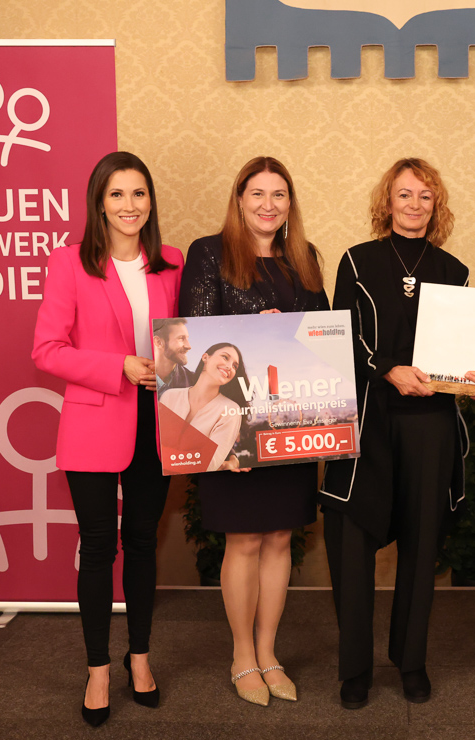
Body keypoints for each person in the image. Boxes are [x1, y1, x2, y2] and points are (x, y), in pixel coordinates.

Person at [321, 157, 475, 709]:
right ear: (386, 202)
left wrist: (472, 376)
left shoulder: (455, 271)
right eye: (405, 194)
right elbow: (341, 338)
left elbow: (463, 352)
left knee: (421, 543)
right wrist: (388, 369)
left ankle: (411, 661)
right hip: (368, 417)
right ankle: (355, 670)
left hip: (430, 425)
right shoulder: (357, 261)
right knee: (353, 544)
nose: (415, 204)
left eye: (425, 196)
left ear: (436, 206)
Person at [32, 151, 183, 727]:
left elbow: (198, 336)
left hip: (158, 423)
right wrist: (117, 366)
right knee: (97, 547)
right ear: (99, 202)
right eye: (117, 194)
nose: (129, 205)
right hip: (95, 419)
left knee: (143, 543)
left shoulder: (172, 263)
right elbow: (47, 350)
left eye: (139, 193)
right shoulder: (70, 262)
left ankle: (139, 657)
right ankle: (97, 668)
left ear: (151, 201)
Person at [179, 156, 328, 706]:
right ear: (239, 200)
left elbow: (322, 337)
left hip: (287, 423)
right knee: (243, 539)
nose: (269, 205)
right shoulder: (208, 253)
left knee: (281, 537)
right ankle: (242, 654)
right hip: (232, 427)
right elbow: (194, 338)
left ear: (290, 204)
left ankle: (269, 652)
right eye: (258, 194)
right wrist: (250, 333)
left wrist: (292, 335)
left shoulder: (305, 259)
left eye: (279, 194)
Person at [157, 341, 247, 472]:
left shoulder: (230, 410)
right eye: (225, 357)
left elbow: (209, 464)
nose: (229, 367)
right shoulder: (169, 396)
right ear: (205, 357)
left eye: (235, 366)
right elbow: (157, 445)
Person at [152, 318, 194, 396]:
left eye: (187, 339)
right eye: (181, 338)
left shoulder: (194, 381)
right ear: (158, 342)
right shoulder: (139, 376)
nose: (188, 346)